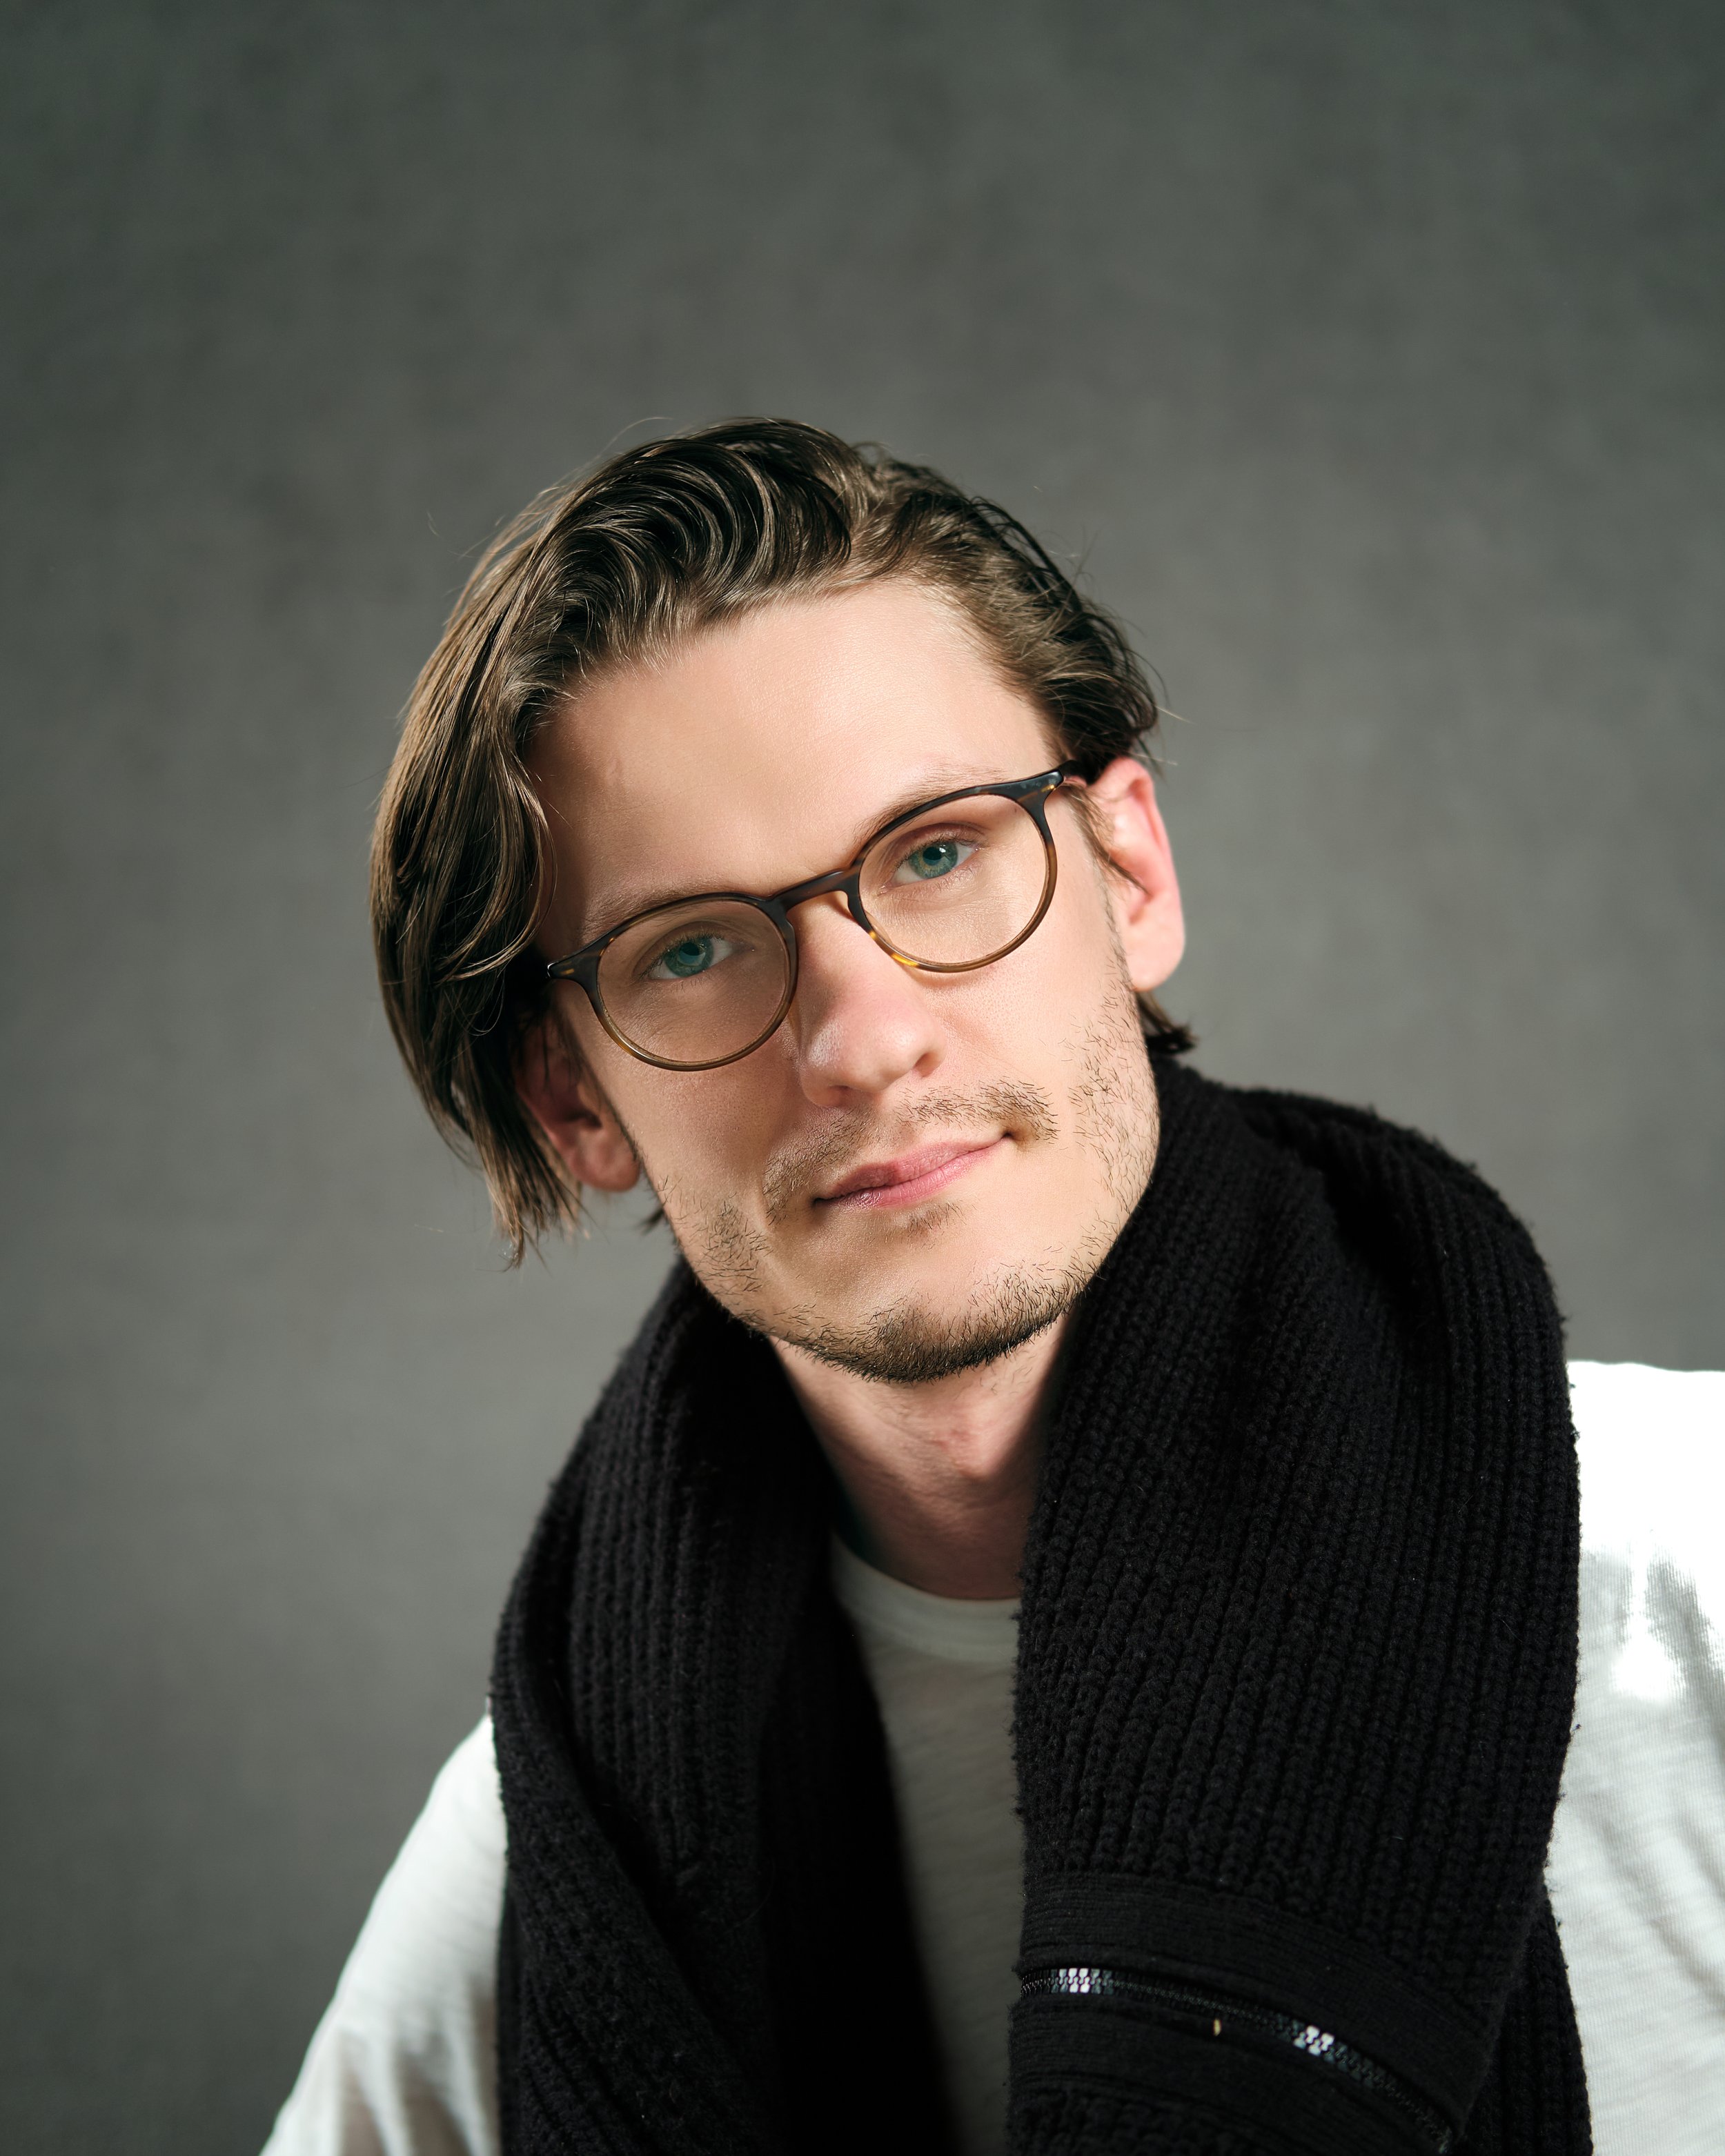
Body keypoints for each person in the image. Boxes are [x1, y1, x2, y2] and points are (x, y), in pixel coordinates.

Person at [266, 422, 1724, 2156]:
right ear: (574, 1100)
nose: (864, 1037)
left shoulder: (1683, 1597)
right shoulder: (561, 1860)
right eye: (694, 948)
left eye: (941, 852)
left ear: (1127, 871)